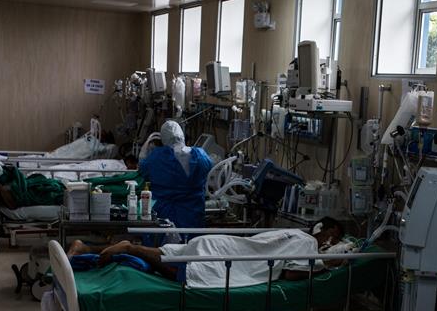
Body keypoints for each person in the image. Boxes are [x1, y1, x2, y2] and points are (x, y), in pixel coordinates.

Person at [66, 216, 346, 286]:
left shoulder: (292, 232)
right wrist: (325, 266)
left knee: (161, 254)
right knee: (179, 272)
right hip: (224, 256)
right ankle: (131, 248)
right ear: (328, 232)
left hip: (219, 243)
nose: (331, 243)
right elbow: (291, 275)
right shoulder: (308, 244)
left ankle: (84, 248)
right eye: (334, 238)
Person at [139, 120, 212, 228]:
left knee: (163, 238)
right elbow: (209, 168)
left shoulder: (156, 157)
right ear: (182, 135)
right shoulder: (200, 156)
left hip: (163, 216)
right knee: (192, 239)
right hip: (192, 216)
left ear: (163, 138)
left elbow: (142, 169)